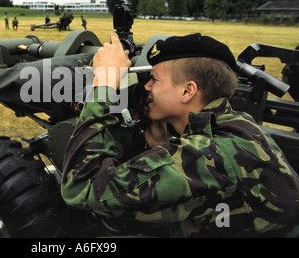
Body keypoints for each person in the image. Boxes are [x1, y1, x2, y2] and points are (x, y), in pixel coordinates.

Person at [61, 32, 299, 237]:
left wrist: (103, 84)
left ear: (187, 90)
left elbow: (81, 188)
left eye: (154, 79)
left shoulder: (210, 154)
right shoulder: (238, 123)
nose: (146, 87)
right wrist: (161, 145)